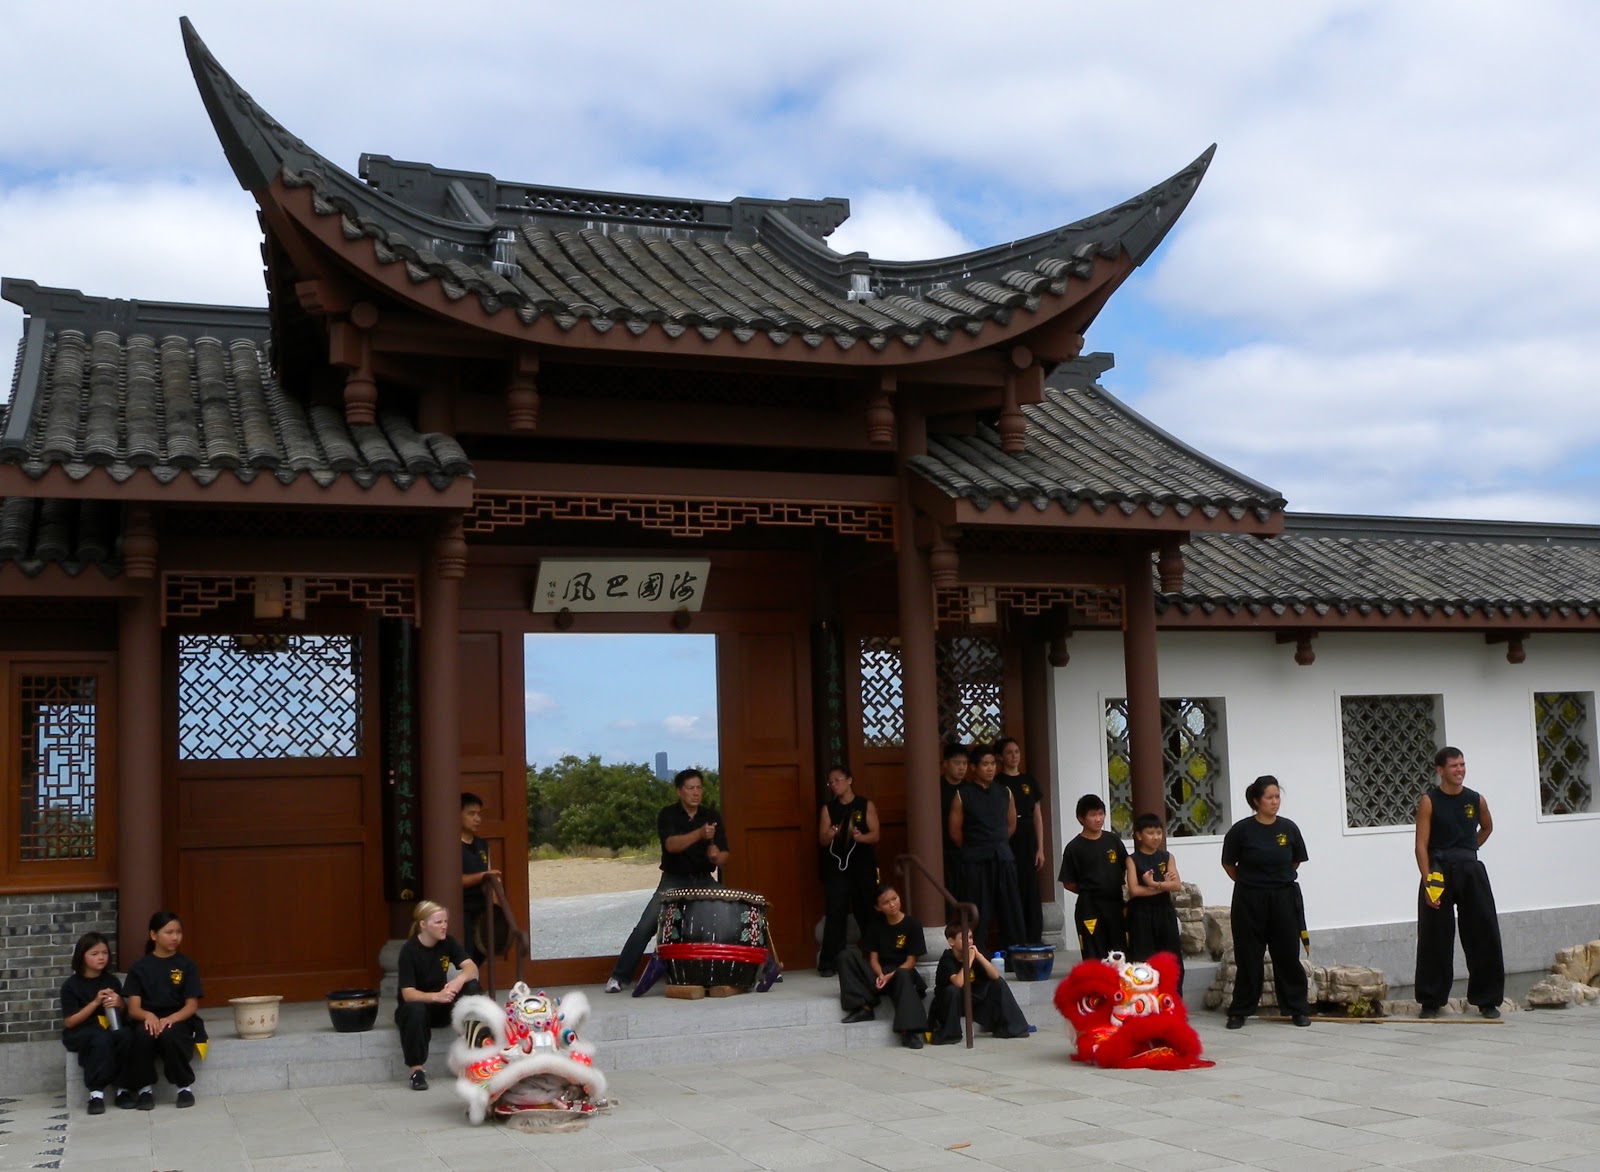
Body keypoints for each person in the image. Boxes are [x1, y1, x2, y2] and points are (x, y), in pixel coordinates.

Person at [606, 768, 729, 993]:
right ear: (679, 792)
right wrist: (699, 835)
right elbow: (671, 845)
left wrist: (716, 857)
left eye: (699, 788)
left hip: (703, 879)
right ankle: (619, 977)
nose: (696, 793)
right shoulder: (668, 814)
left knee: (732, 914)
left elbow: (724, 854)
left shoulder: (711, 815)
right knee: (646, 925)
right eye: (690, 788)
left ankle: (765, 968)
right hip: (673, 880)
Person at [1414, 746, 1505, 1019]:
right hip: (1438, 870)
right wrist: (1428, 880)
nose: (1460, 770)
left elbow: (1487, 827)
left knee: (1483, 932)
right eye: (1454, 766)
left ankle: (1487, 999)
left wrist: (1468, 849)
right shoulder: (1429, 800)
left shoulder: (1476, 799)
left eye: (1462, 765)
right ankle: (1431, 1000)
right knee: (1435, 936)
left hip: (1470, 870)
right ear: (1440, 770)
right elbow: (1420, 845)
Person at [1220, 776, 1311, 1029]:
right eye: (1269, 798)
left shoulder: (1289, 828)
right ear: (1256, 801)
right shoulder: (1241, 830)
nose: (1275, 802)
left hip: (1282, 896)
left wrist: (1275, 881)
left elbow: (1295, 861)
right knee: (1249, 955)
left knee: (1286, 954)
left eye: (1277, 797)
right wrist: (1252, 882)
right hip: (1249, 898)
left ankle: (1296, 1008)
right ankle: (1240, 1010)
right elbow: (1229, 864)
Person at [123, 912, 206, 1110]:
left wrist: (171, 1018)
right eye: (169, 932)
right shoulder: (139, 967)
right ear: (153, 935)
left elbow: (191, 1004)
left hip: (178, 1017)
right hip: (147, 1017)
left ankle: (184, 1087)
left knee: (171, 1035)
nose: (175, 937)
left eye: (178, 932)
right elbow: (134, 1008)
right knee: (143, 1036)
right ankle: (144, 1090)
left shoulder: (186, 965)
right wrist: (148, 1016)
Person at [948, 744, 1025, 958]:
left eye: (993, 764)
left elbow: (1010, 825)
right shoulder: (963, 794)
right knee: (978, 910)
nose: (990, 769)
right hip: (975, 859)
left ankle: (1014, 955)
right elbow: (955, 832)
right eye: (985, 764)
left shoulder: (1004, 792)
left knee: (1010, 909)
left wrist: (996, 842)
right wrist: (977, 846)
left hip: (1003, 856)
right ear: (974, 767)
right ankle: (976, 955)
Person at [395, 899, 481, 1090]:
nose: (444, 926)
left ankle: (476, 1056)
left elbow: (471, 968)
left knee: (472, 987)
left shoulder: (447, 942)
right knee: (415, 1009)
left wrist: (458, 981)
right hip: (418, 1008)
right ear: (423, 925)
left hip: (442, 1005)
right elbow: (408, 993)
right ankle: (416, 1071)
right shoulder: (409, 951)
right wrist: (436, 997)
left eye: (445, 922)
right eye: (438, 922)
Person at [836, 883, 928, 1048]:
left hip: (902, 973)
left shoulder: (913, 924)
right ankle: (863, 1007)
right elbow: (873, 959)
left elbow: (911, 961)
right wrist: (880, 975)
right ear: (878, 907)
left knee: (903, 974)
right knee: (846, 956)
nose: (892, 904)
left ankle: (909, 1032)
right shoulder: (875, 925)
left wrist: (889, 976)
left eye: (895, 898)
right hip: (880, 973)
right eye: (886, 902)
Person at [817, 764, 880, 978]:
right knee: (836, 912)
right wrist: (832, 833)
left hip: (862, 865)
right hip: (837, 867)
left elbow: (875, 835)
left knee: (867, 910)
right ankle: (829, 962)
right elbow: (823, 840)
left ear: (849, 780)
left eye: (838, 780)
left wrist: (860, 837)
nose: (834, 785)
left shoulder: (864, 805)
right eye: (831, 782)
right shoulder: (829, 809)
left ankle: (877, 956)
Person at [60, 931, 132, 1114]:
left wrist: (120, 1004)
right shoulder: (71, 985)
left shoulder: (111, 980)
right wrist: (95, 1003)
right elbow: (70, 1022)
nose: (101, 958)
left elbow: (123, 1014)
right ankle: (96, 1094)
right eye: (95, 954)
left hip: (110, 1027)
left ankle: (123, 1090)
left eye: (105, 953)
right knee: (99, 1039)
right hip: (81, 1031)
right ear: (82, 956)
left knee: (126, 1036)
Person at [927, 921, 1031, 1044]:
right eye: (963, 938)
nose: (969, 942)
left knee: (998, 983)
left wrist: (979, 957)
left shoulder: (976, 953)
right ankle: (951, 1034)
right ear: (951, 942)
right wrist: (969, 960)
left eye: (970, 937)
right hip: (951, 1003)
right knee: (952, 990)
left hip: (973, 1000)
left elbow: (995, 976)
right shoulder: (947, 959)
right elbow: (958, 983)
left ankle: (1014, 1027)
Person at [1057, 794, 1128, 960]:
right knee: (1094, 952)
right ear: (1081, 818)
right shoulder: (1074, 848)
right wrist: (1091, 891)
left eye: (1101, 813)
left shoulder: (1113, 840)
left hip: (1116, 904)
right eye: (1093, 815)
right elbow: (1068, 883)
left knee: (1120, 951)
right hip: (1090, 907)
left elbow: (1127, 866)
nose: (1098, 819)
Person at [1125, 813, 1185, 995]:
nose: (1156, 837)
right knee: (1143, 958)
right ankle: (1145, 1002)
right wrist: (1162, 886)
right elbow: (1134, 890)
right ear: (1139, 835)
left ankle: (1173, 1000)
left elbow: (1176, 885)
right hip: (1140, 914)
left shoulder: (1167, 857)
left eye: (1159, 832)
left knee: (1171, 957)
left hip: (1164, 911)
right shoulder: (1132, 859)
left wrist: (1153, 884)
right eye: (1151, 833)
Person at [998, 737, 1046, 945]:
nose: (1014, 756)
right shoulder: (998, 783)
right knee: (1010, 888)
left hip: (1028, 837)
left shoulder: (1028, 780)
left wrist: (1040, 848)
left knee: (1030, 889)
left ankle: (1034, 937)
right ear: (1001, 757)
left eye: (1017, 751)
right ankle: (1013, 939)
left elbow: (1037, 816)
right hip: (1008, 836)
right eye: (1009, 752)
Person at [460, 791, 502, 964]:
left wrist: (497, 910)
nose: (477, 818)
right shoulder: (447, 844)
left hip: (481, 908)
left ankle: (472, 985)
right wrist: (483, 876)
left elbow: (491, 877)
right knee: (465, 953)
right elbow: (456, 881)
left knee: (481, 950)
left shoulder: (482, 845)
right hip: (461, 909)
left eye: (479, 814)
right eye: (471, 814)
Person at [938, 743, 968, 902]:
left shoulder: (970, 790)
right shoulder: (934, 789)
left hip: (966, 852)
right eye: (957, 763)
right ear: (945, 764)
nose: (962, 768)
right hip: (942, 852)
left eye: (965, 763)